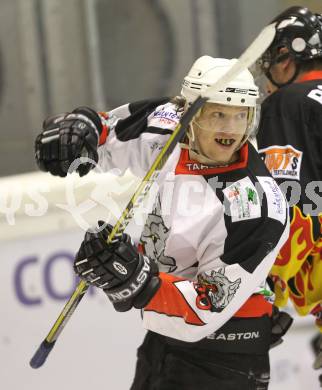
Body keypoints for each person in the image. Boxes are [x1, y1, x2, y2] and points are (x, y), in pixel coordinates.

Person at [35, 56, 290, 389]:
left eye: (240, 115)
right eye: (218, 114)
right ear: (190, 114)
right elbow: (106, 132)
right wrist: (80, 131)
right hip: (162, 343)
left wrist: (138, 282)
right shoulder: (169, 128)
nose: (231, 128)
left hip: (226, 358)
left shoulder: (257, 205)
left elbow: (204, 309)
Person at [255, 5, 322, 385]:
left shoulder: (288, 104)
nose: (268, 81)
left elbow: (290, 212)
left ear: (286, 56)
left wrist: (261, 296)